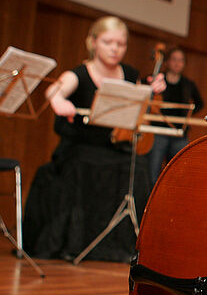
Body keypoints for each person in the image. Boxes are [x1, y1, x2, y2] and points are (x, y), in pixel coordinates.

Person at [23, 15, 165, 261]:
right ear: (93, 42)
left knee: (139, 168)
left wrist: (153, 93)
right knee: (82, 164)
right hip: (82, 146)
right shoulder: (78, 73)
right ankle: (77, 243)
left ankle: (122, 246)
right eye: (108, 42)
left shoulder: (131, 74)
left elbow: (142, 112)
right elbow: (53, 91)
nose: (114, 48)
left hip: (117, 148)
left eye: (120, 44)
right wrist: (59, 100)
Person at [147, 46, 204, 186]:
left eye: (181, 60)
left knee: (178, 173)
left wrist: (187, 115)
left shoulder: (188, 84)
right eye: (174, 59)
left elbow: (200, 103)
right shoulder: (159, 80)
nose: (177, 63)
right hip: (158, 132)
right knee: (152, 173)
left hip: (179, 134)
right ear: (167, 62)